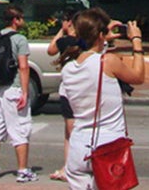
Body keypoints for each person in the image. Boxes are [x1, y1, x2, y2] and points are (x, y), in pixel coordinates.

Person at [58, 8, 144, 190]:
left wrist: (102, 33)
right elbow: (138, 76)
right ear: (99, 36)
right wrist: (136, 41)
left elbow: (89, 54)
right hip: (108, 147)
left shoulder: (68, 68)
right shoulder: (108, 62)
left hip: (79, 146)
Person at [0, 5, 37, 183]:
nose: (23, 21)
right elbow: (23, 67)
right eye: (21, 18)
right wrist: (25, 92)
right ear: (15, 20)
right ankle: (22, 171)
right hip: (13, 88)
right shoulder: (20, 39)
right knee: (19, 129)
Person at [45, 10, 84, 181]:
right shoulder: (86, 41)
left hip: (70, 90)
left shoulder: (66, 41)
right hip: (82, 89)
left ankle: (72, 168)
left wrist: (62, 30)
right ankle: (68, 167)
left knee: (71, 131)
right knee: (70, 132)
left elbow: (51, 50)